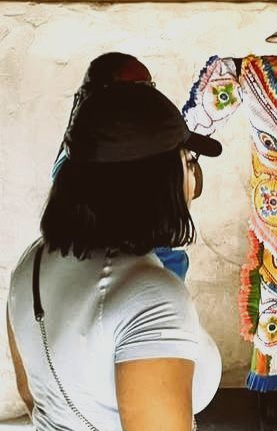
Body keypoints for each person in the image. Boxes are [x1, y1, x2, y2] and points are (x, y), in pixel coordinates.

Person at [0, 81, 223, 431]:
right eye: (188, 158)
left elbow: (32, 393)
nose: (193, 173)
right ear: (159, 177)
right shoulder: (149, 296)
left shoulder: (36, 258)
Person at [51, 52, 199, 280]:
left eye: (148, 86)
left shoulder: (96, 150)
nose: (146, 96)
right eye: (137, 88)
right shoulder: (91, 161)